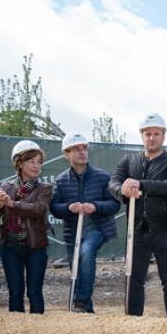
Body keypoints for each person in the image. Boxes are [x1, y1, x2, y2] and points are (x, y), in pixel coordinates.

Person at [109, 113, 167, 317]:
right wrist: (122, 190)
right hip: (137, 230)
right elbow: (113, 182)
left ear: (163, 136)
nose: (152, 138)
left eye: (156, 134)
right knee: (134, 279)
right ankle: (134, 323)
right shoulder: (128, 161)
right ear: (142, 136)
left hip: (165, 230)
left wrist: (141, 184)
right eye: (147, 134)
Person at [50, 133, 120, 313]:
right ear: (66, 154)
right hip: (72, 231)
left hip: (98, 228)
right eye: (76, 149)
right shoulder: (61, 180)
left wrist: (95, 206)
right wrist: (68, 207)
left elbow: (114, 204)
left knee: (86, 252)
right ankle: (86, 309)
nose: (82, 152)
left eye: (84, 148)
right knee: (76, 265)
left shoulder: (103, 177)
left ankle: (80, 301)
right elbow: (54, 208)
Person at [0, 140, 53, 314]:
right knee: (15, 292)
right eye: (31, 161)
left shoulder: (44, 188)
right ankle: (15, 331)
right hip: (10, 246)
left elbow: (38, 209)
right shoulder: (6, 186)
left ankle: (36, 331)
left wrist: (11, 203)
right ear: (19, 163)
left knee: (34, 292)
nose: (36, 166)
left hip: (36, 246)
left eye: (39, 162)